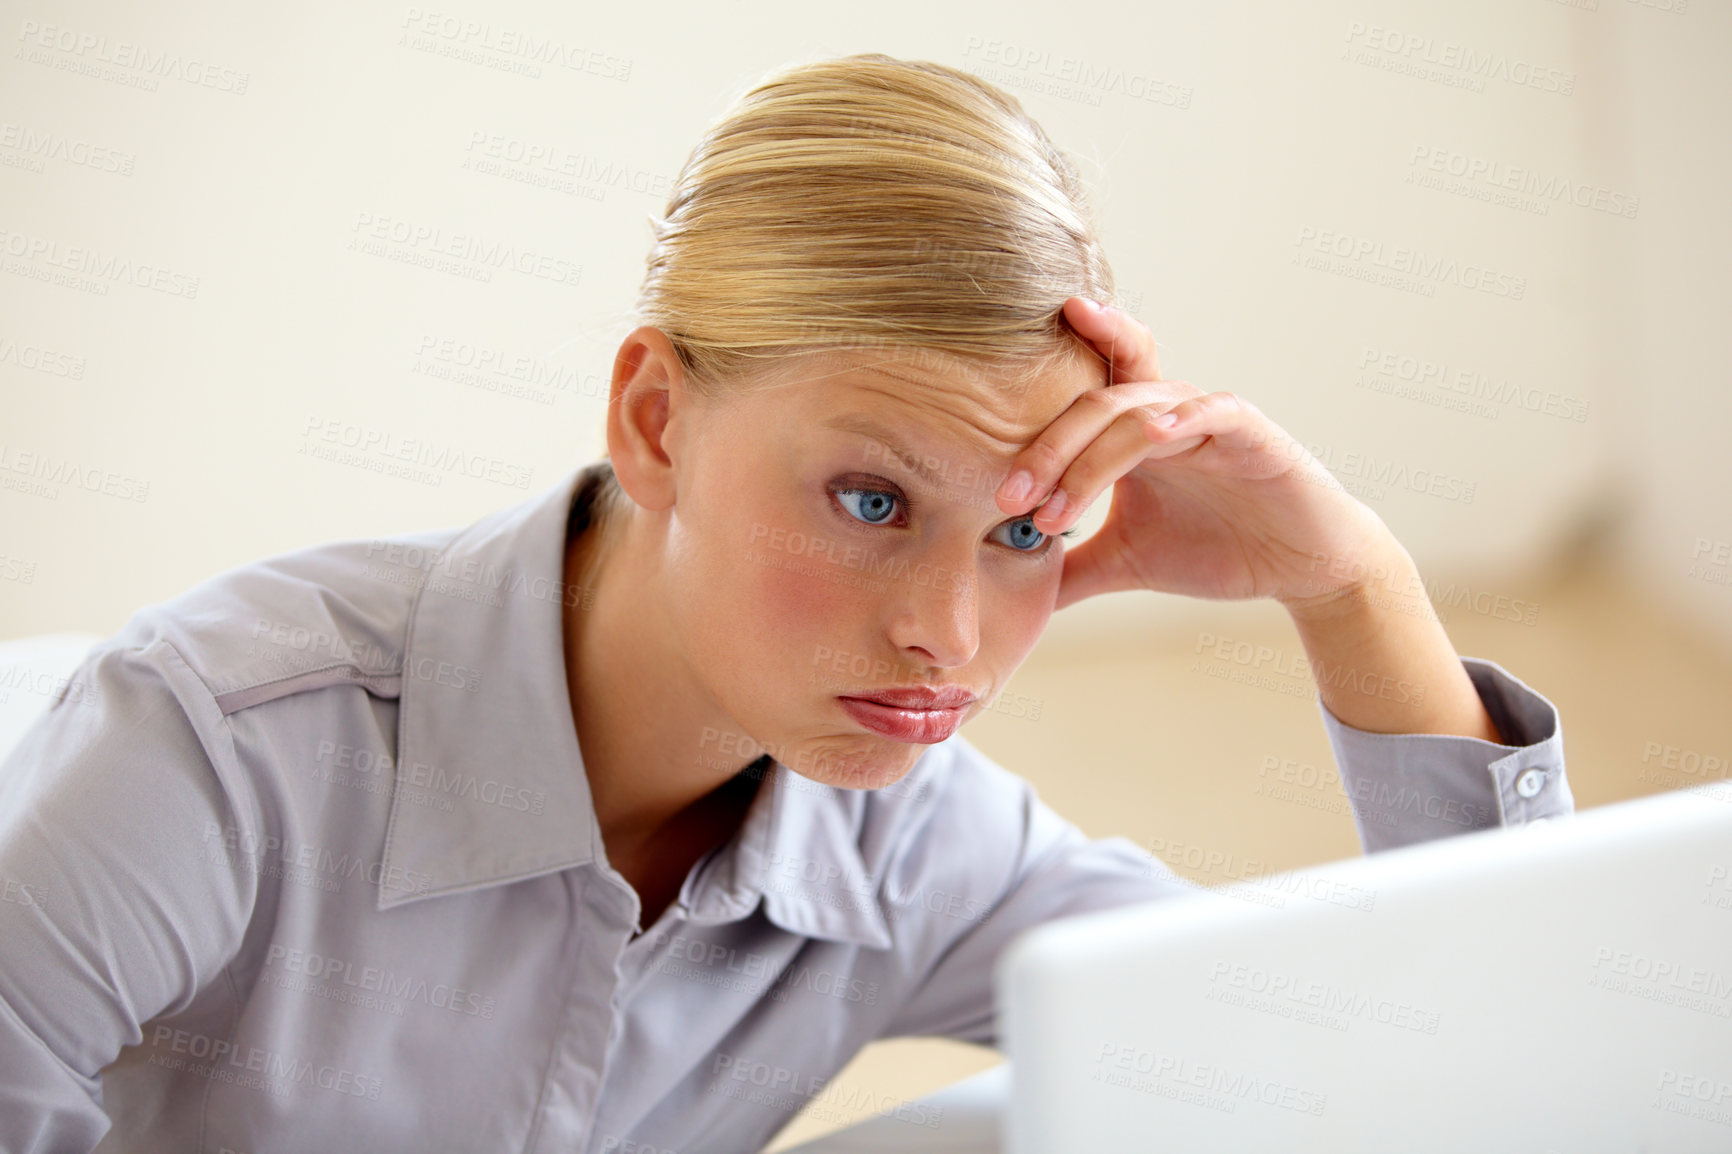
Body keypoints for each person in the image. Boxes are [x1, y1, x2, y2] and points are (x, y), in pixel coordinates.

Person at [0, 52, 1572, 1153]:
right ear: (656, 420)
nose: (948, 639)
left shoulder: (913, 848)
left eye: (1026, 531)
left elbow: (1450, 1072)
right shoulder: (214, 753)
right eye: (872, 501)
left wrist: (1351, 584)